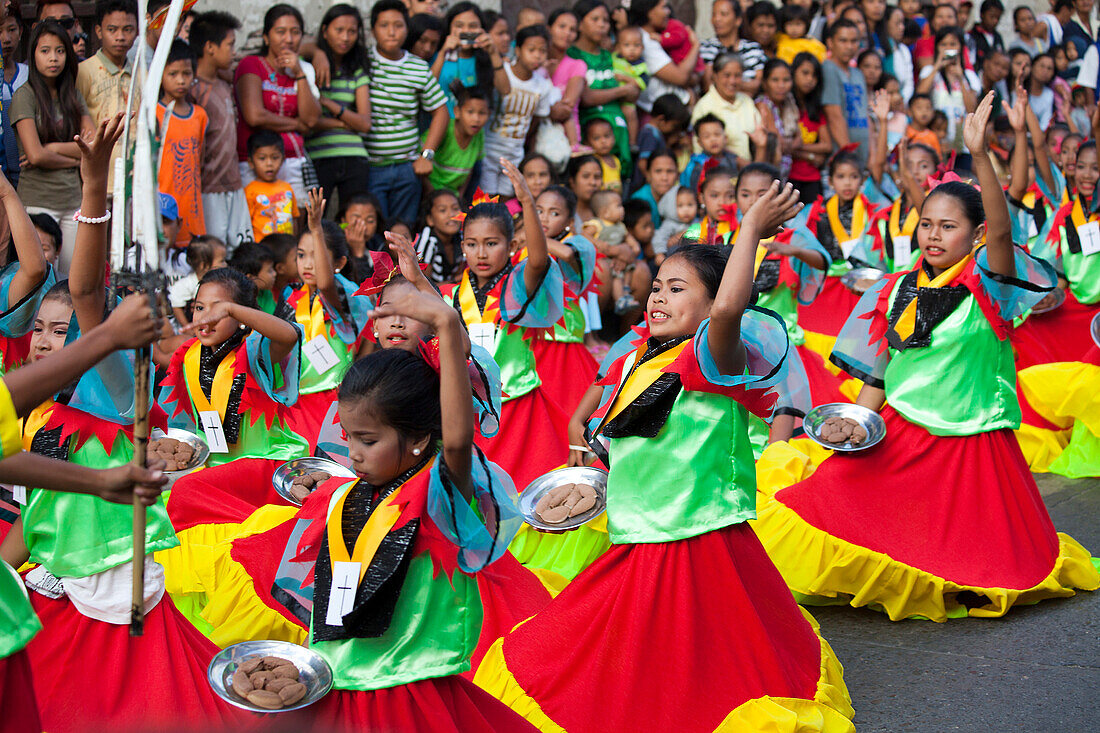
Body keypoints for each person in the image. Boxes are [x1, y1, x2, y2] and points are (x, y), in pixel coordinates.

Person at [474, 184, 856, 733]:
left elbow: (728, 308)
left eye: (677, 289)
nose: (657, 298)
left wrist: (748, 229)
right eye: (656, 287)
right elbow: (628, 444)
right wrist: (590, 481)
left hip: (698, 536)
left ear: (711, 304)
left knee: (710, 659)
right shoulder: (637, 359)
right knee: (618, 653)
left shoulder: (713, 356)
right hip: (638, 537)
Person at [752, 92, 1100, 622]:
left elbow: (1003, 229)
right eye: (928, 225)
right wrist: (857, 422)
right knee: (815, 507)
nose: (934, 235)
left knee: (980, 564)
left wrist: (979, 154)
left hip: (970, 443)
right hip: (901, 432)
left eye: (949, 226)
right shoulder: (900, 289)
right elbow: (883, 367)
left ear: (978, 234)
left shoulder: (992, 285)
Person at [441, 158, 569, 491]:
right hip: (470, 416)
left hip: (521, 412)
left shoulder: (516, 289)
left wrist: (527, 200)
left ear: (512, 246)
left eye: (491, 243)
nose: (480, 253)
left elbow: (539, 261)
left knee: (528, 498)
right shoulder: (449, 296)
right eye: (471, 244)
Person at [279, 189, 370, 450]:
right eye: (301, 255)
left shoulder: (347, 293)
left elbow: (326, 282)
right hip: (297, 403)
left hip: (335, 400)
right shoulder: (291, 297)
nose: (308, 264)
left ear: (339, 262)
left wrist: (316, 228)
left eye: (316, 255)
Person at [12, 20, 92, 277]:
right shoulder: (25, 95)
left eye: (60, 50)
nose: (53, 58)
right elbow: (34, 154)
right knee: (39, 279)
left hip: (73, 201)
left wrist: (54, 148)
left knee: (71, 281)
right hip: (37, 202)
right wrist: (76, 158)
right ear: (33, 54)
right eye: (45, 51)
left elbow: (90, 146)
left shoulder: (73, 95)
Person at [364, 0, 448, 226]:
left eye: (398, 25)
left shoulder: (418, 67)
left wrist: (426, 155)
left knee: (404, 235)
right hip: (370, 167)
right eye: (384, 25)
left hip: (407, 168)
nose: (391, 32)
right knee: (373, 236)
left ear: (407, 28)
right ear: (373, 30)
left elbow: (441, 111)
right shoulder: (363, 61)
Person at [235, 4, 321, 206]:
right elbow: (255, 116)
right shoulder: (251, 64)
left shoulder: (303, 70)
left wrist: (298, 72)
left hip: (294, 162)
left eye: (295, 32)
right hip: (257, 163)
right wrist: (297, 125)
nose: (289, 39)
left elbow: (311, 119)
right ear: (266, 37)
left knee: (296, 226)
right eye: (280, 32)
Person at [190, 10, 252, 252]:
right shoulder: (193, 91)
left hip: (233, 185)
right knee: (213, 253)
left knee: (241, 252)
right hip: (207, 190)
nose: (233, 52)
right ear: (210, 47)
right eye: (230, 45)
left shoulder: (223, 84)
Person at [307, 4, 372, 207]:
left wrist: (327, 103)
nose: (345, 37)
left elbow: (364, 124)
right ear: (325, 31)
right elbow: (308, 121)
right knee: (316, 219)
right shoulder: (306, 66)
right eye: (339, 30)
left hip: (355, 157)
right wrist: (317, 53)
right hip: (318, 156)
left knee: (352, 219)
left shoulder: (356, 71)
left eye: (352, 31)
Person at [481, 24, 556, 196]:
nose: (537, 55)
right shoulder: (502, 71)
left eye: (542, 51)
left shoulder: (543, 86)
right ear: (519, 49)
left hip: (514, 153)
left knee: (508, 199)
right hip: (488, 150)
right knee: (486, 199)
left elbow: (535, 120)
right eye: (531, 49)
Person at [75, 0, 136, 202]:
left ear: (137, 31)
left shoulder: (140, 73)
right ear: (99, 31)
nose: (120, 37)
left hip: (134, 179)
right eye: (112, 29)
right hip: (99, 180)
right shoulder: (84, 72)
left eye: (127, 29)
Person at [568, 0, 637, 176]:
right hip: (591, 141)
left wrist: (629, 89)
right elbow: (586, 97)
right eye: (595, 19)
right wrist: (621, 91)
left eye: (605, 20)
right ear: (580, 24)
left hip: (619, 141)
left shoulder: (609, 56)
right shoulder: (573, 56)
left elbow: (634, 92)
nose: (602, 25)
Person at [157, 39, 207, 250]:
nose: (180, 80)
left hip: (191, 206)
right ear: (160, 76)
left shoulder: (199, 115)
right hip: (163, 205)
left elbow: (200, 159)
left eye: (186, 74)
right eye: (173, 74)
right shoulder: (154, 114)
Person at [431, 2, 510, 114]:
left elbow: (505, 90)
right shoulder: (438, 55)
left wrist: (493, 53)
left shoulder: (487, 58)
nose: (466, 31)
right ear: (449, 27)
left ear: (481, 30)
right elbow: (426, 90)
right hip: (441, 127)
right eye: (459, 26)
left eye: (472, 26)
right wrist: (443, 52)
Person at [691, 52, 764, 168]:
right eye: (727, 75)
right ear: (715, 76)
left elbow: (760, 136)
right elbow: (702, 150)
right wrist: (744, 165)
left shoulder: (747, 101)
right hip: (718, 175)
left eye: (737, 75)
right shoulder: (704, 107)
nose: (732, 81)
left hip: (748, 170)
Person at [917, 27, 981, 152]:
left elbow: (972, 110)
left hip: (962, 144)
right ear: (937, 47)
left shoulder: (969, 76)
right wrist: (937, 66)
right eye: (943, 44)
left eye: (953, 44)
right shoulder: (929, 72)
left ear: (961, 47)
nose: (948, 48)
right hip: (934, 142)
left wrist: (961, 78)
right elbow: (919, 96)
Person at [630, 0, 699, 114]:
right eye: (663, 7)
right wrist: (696, 46)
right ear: (649, 12)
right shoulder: (643, 41)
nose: (668, 12)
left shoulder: (657, 37)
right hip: (664, 113)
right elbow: (681, 77)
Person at [822, 18, 870, 164]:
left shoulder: (857, 73)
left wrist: (872, 156)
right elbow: (834, 115)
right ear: (830, 42)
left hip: (862, 156)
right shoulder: (828, 68)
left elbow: (866, 114)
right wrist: (848, 156)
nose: (849, 46)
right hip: (843, 161)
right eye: (843, 41)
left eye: (854, 41)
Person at [789, 52, 832, 204]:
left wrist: (799, 148)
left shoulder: (815, 110)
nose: (810, 79)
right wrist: (811, 156)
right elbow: (786, 147)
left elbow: (827, 145)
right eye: (805, 73)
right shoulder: (786, 107)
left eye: (814, 75)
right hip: (789, 177)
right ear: (793, 73)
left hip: (813, 178)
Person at [700, 0, 766, 97]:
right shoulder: (705, 48)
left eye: (724, 14)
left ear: (738, 20)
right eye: (714, 14)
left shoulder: (753, 49)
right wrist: (744, 86)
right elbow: (708, 86)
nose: (717, 19)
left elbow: (757, 85)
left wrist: (723, 84)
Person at [546, 8, 588, 153]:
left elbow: (566, 108)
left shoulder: (578, 66)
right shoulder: (537, 64)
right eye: (562, 26)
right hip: (538, 137)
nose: (567, 33)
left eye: (572, 29)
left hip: (568, 141)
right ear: (549, 29)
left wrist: (541, 110)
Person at [245, 130, 299, 241]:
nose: (269, 163)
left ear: (283, 159)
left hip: (287, 246)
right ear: (251, 162)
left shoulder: (287, 188)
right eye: (262, 158)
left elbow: (294, 219)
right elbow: (246, 224)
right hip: (262, 248)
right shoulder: (250, 191)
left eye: (275, 158)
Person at [167, 236, 227, 327]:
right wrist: (187, 326)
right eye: (222, 261)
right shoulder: (186, 285)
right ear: (204, 265)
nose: (225, 265)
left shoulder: (222, 283)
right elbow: (176, 305)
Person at [414, 188, 463, 283]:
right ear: (430, 219)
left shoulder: (462, 237)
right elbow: (423, 287)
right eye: (442, 210)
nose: (451, 215)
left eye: (455, 208)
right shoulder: (427, 242)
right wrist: (459, 279)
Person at [968, 0, 1005, 71]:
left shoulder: (997, 37)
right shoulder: (971, 36)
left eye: (998, 18)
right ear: (982, 14)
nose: (995, 21)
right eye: (992, 16)